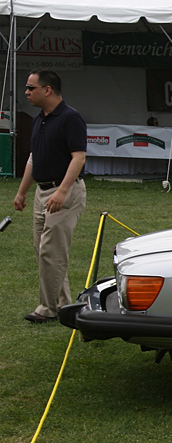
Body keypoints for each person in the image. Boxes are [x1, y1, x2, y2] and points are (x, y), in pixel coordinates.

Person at [12, 69, 87, 323]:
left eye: (31, 87)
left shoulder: (70, 118)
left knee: (51, 252)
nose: (26, 92)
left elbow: (79, 157)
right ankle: (64, 305)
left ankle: (47, 309)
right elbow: (35, 158)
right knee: (44, 252)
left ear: (47, 90)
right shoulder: (39, 119)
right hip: (41, 193)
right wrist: (22, 192)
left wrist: (62, 191)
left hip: (63, 192)